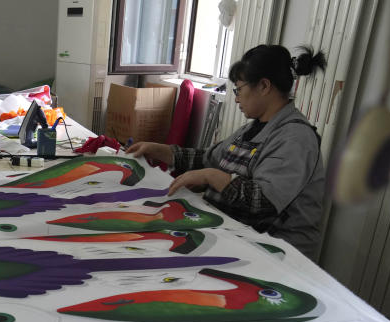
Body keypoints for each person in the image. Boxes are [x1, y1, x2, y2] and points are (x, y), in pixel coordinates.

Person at [128, 45, 328, 260]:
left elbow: (261, 203)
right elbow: (207, 158)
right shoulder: (253, 128)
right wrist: (160, 150)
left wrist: (210, 176)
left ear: (263, 86)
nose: (236, 98)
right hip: (233, 237)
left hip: (274, 255)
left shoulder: (296, 138)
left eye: (239, 89)